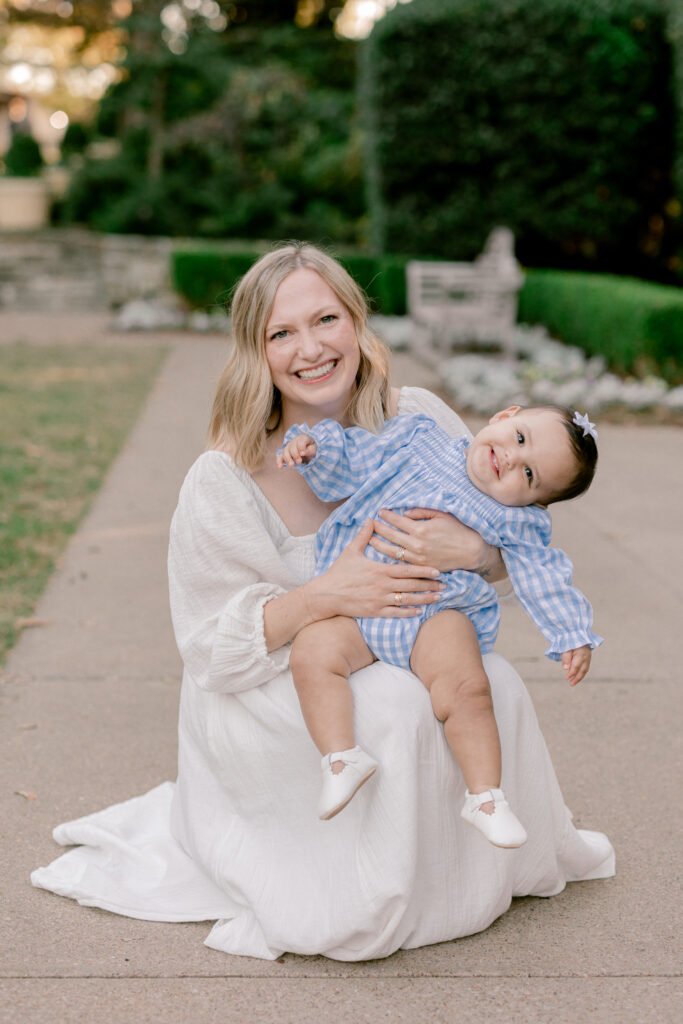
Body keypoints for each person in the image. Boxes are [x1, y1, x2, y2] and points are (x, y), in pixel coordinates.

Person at [31, 243, 614, 961]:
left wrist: (471, 553)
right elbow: (211, 650)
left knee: (491, 682)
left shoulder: (418, 417)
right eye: (282, 333)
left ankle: (474, 861)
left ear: (355, 321)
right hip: (279, 671)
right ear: (256, 351)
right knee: (392, 711)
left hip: (406, 632)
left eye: (325, 320)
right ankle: (364, 893)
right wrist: (324, 595)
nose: (310, 349)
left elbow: (509, 525)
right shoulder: (224, 478)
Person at [277, 406, 602, 844]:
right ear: (504, 415)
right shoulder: (418, 438)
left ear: (535, 502)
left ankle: (485, 797)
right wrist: (317, 450)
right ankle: (340, 757)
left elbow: (544, 574)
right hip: (357, 602)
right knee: (312, 652)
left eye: (529, 475)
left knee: (468, 687)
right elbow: (358, 458)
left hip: (436, 611)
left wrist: (571, 632)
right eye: (520, 438)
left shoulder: (516, 519)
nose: (511, 458)